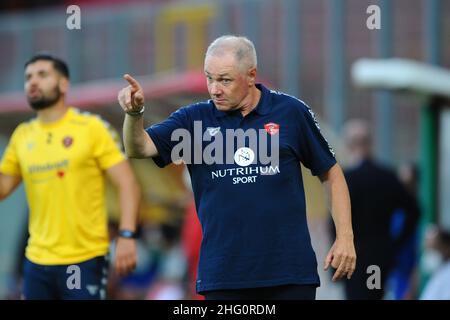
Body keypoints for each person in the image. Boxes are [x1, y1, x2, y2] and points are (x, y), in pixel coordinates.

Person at [118, 35, 356, 300]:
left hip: (289, 274)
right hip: (224, 276)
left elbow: (331, 174)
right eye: (209, 78)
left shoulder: (290, 112)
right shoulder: (192, 120)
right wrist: (134, 115)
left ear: (251, 75)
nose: (214, 89)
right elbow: (138, 147)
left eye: (225, 80)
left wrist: (345, 236)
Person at [0, 53, 141, 299]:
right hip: (36, 260)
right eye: (28, 77)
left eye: (42, 75)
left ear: (64, 83)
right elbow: (3, 188)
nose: (33, 82)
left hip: (84, 259)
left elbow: (127, 183)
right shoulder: (22, 136)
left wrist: (127, 235)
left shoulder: (92, 128)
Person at [340, 119, 419, 300]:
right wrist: (395, 243)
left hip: (352, 257)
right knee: (373, 294)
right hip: (379, 257)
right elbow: (414, 210)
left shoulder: (346, 180)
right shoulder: (387, 177)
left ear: (349, 146)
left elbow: (335, 221)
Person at [420, 227, 450, 300]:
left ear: (447, 247)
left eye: (434, 248)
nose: (430, 254)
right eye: (428, 249)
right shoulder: (439, 271)